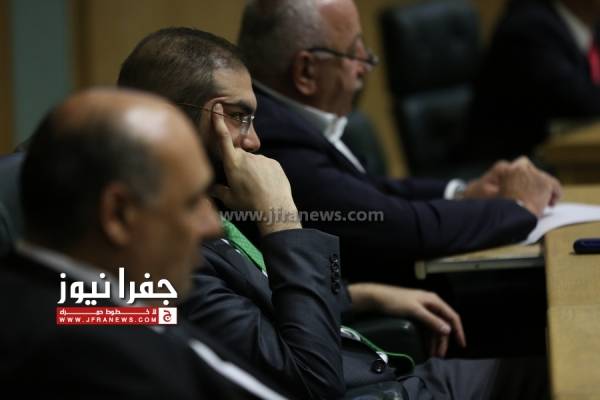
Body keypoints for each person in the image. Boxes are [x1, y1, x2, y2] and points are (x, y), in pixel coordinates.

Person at [118, 27, 548, 400]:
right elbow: (311, 383)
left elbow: (257, 300)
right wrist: (282, 220)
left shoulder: (211, 210)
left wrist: (361, 294)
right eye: (238, 116)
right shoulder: (170, 255)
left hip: (390, 376)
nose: (254, 141)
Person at [237, 0, 562, 284]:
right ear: (306, 71)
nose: (366, 65)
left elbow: (373, 192)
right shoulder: (275, 141)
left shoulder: (284, 121)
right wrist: (516, 207)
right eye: (353, 51)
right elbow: (399, 226)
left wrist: (464, 193)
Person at [0, 88, 288, 400]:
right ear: (118, 214)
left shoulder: (98, 306)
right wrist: (283, 222)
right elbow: (309, 378)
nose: (212, 226)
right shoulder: (103, 359)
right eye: (192, 202)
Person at [469, 0, 600, 163]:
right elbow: (581, 101)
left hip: (555, 157)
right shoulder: (528, 27)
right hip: (503, 165)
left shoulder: (589, 25)